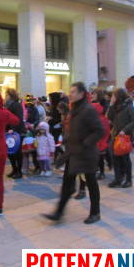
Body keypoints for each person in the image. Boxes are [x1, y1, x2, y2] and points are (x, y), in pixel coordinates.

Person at [43, 82, 104, 224]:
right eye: (70, 91)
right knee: (67, 184)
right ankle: (58, 213)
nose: (70, 94)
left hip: (87, 154)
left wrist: (86, 143)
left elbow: (99, 130)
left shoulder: (88, 109)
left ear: (81, 94)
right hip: (74, 153)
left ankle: (95, 213)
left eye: (73, 92)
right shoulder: (74, 109)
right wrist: (66, 142)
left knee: (91, 183)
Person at [106, 88, 134, 188]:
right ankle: (118, 179)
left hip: (125, 136)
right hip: (115, 135)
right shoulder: (115, 107)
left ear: (119, 96)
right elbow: (109, 117)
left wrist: (124, 130)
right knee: (115, 158)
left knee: (125, 159)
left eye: (114, 96)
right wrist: (111, 105)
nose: (112, 97)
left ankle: (128, 180)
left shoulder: (129, 106)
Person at [5, 89, 26, 179]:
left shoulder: (16, 105)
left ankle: (19, 171)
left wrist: (12, 129)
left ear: (11, 96)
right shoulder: (8, 105)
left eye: (6, 95)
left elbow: (18, 118)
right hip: (9, 132)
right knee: (10, 152)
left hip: (17, 132)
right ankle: (14, 169)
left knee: (17, 152)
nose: (5, 97)